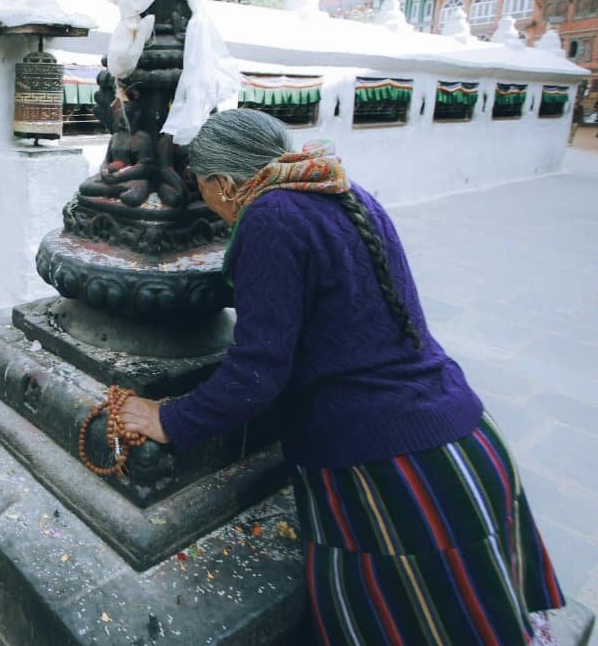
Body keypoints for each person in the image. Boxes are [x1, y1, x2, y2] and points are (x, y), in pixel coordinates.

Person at [119, 109, 565, 645]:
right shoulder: (342, 190)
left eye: (201, 187)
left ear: (221, 184)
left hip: (395, 472)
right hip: (464, 441)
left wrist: (169, 418)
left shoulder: (269, 216)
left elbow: (256, 374)